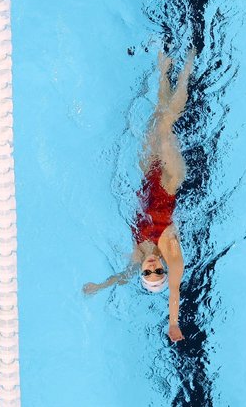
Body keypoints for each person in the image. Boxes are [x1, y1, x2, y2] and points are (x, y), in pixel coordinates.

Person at [83, 48, 195, 343]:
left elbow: (121, 277)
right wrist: (173, 324)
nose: (153, 267)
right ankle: (187, 67)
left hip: (148, 178)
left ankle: (163, 69)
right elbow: (174, 289)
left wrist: (99, 287)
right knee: (166, 124)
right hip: (169, 178)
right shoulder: (171, 252)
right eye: (159, 271)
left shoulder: (137, 257)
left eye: (149, 274)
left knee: (156, 120)